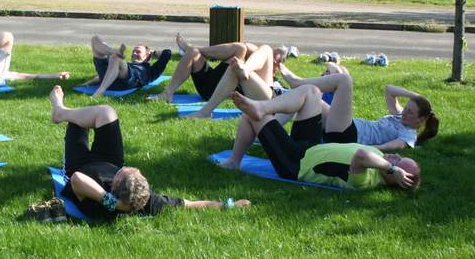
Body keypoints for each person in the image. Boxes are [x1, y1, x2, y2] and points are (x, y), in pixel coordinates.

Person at [49, 85, 250, 220]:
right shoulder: (146, 201)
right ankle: (62, 111)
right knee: (107, 112)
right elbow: (189, 204)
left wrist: (114, 204)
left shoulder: (98, 204)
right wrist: (227, 205)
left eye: (127, 172)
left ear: (116, 184)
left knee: (77, 122)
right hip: (110, 160)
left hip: (80, 164)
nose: (134, 168)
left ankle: (61, 110)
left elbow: (77, 179)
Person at [228, 85, 421, 190]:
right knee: (311, 92)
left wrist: (391, 168)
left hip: (295, 163)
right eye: (401, 158)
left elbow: (361, 155)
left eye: (401, 164)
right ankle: (263, 106)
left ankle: (233, 162)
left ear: (399, 178)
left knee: (251, 117)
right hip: (309, 147)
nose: (397, 158)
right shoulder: (379, 156)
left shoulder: (367, 180)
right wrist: (393, 166)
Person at [278, 63, 439, 150]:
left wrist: (360, 150)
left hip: (349, 136)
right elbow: (389, 90)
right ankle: (270, 127)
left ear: (421, 120)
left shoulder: (408, 135)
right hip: (347, 129)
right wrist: (414, 96)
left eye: (410, 112)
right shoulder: (399, 116)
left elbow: (389, 147)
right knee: (309, 95)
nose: (405, 112)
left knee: (344, 80)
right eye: (406, 108)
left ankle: (296, 82)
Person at [152, 34, 286, 119]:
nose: (273, 59)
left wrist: (276, 61)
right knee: (194, 52)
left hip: (262, 98)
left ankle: (189, 48)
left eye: (277, 59)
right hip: (215, 82)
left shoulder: (273, 79)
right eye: (274, 55)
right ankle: (168, 92)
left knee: (246, 50)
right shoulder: (256, 59)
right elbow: (248, 46)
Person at [82, 35, 171, 98]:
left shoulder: (151, 71)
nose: (134, 53)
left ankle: (101, 90)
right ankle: (113, 51)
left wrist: (153, 53)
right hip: (111, 76)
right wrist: (87, 83)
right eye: (133, 51)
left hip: (128, 81)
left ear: (147, 55)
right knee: (95, 39)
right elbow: (103, 75)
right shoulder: (126, 63)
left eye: (138, 52)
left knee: (116, 57)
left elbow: (167, 53)